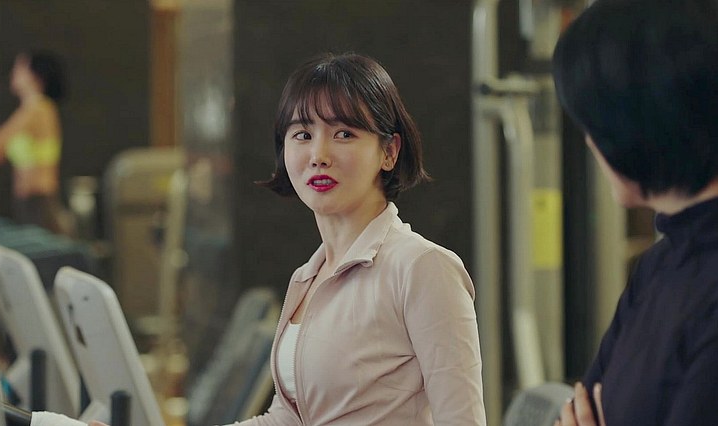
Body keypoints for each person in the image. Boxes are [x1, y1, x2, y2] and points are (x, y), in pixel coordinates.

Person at [31, 52, 486, 426]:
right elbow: (286, 419)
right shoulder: (309, 276)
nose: (319, 154)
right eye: (302, 134)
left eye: (344, 134)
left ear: (389, 151)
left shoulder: (422, 268)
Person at [552, 0, 718, 425]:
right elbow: (577, 411)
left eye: (595, 123)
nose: (591, 142)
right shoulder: (662, 262)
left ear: (644, 122)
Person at [0, 50, 68, 234]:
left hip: (39, 202)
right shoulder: (30, 108)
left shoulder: (38, 108)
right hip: (29, 202)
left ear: (35, 75)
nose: (13, 73)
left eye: (19, 67)